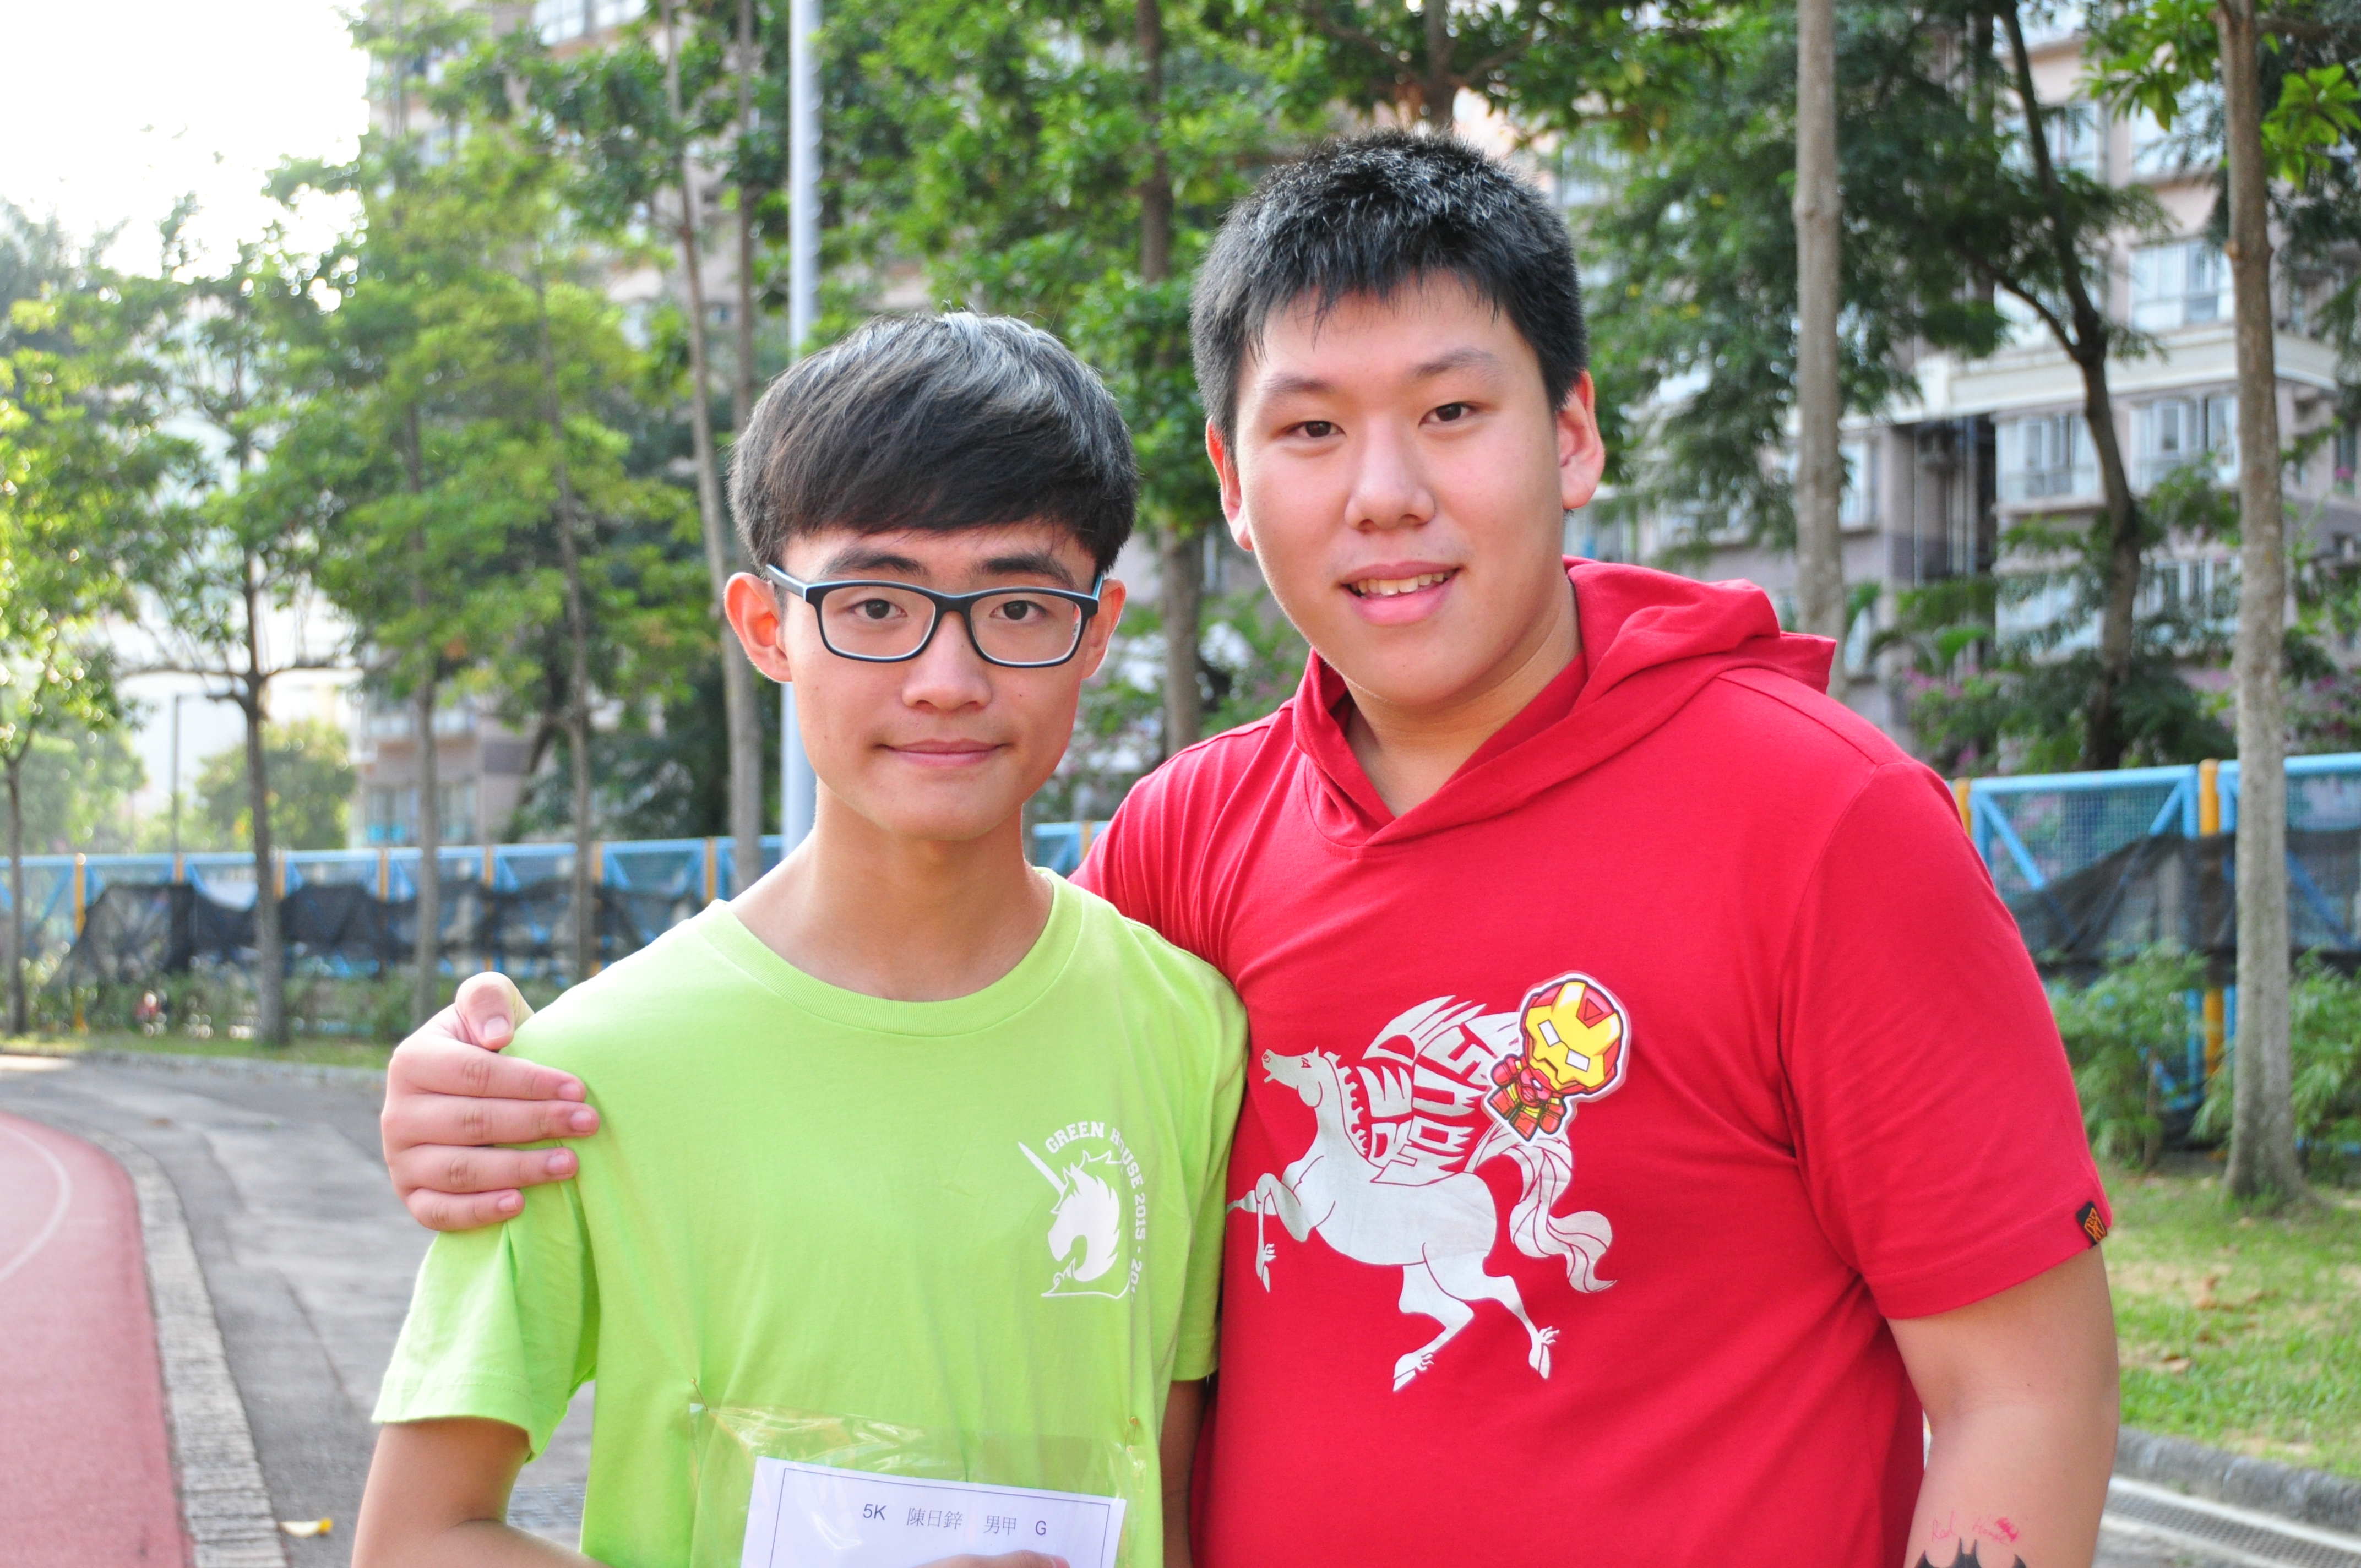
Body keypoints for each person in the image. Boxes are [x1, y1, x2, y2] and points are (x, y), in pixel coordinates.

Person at [378, 133, 2120, 1568]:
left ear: (1575, 432)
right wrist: (482, 1092)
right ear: (1231, 476)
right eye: (1310, 429)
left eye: (1453, 412)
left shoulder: (1824, 824)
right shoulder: (1195, 840)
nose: (1384, 491)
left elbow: (2023, 1394)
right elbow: (959, 1029)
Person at [352, 314, 1243, 1568]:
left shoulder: (1189, 1031)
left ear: (1096, 630)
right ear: (768, 626)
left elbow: (1176, 1491)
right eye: (875, 604)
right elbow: (417, 1536)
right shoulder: (584, 1072)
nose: (946, 677)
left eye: (1018, 605)